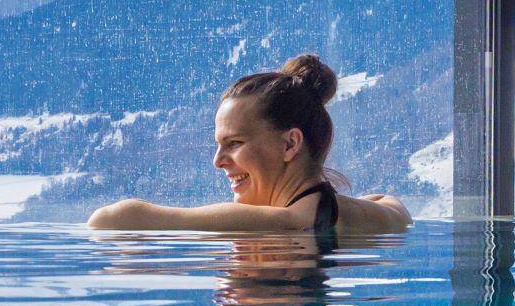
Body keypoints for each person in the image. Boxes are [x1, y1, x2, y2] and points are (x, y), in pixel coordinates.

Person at [86, 53, 411, 236]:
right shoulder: (379, 216)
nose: (218, 161)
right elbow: (391, 203)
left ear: (290, 144)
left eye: (234, 143)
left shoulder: (277, 224)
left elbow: (109, 220)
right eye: (219, 145)